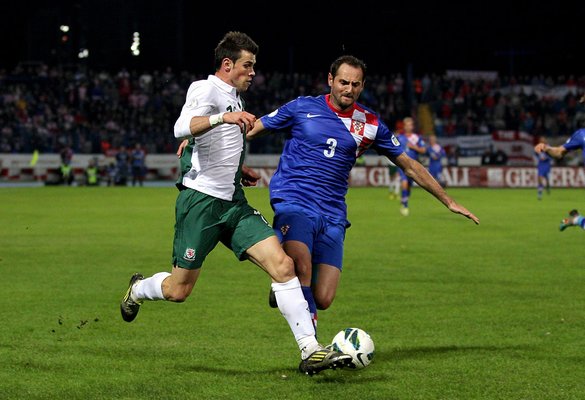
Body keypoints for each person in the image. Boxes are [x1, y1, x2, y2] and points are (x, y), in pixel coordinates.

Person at [120, 31, 352, 376]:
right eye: (248, 65)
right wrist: (221, 119)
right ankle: (139, 289)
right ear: (227, 64)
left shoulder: (235, 98)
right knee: (179, 290)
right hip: (201, 204)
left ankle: (311, 350)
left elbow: (216, 144)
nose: (253, 72)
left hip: (234, 204)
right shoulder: (205, 88)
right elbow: (182, 127)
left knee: (283, 266)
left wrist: (237, 169)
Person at [245, 55, 480, 337]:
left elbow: (409, 165)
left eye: (355, 84)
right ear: (330, 80)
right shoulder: (301, 107)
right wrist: (213, 143)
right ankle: (311, 348)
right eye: (343, 82)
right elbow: (251, 130)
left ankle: (286, 286)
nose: (349, 89)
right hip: (295, 201)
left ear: (363, 86)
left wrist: (448, 200)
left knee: (323, 297)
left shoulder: (369, 124)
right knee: (301, 266)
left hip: (333, 213)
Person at [534, 117, 585, 230]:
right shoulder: (581, 135)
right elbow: (558, 152)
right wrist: (546, 148)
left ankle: (576, 219)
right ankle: (576, 219)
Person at [396, 117, 427, 216]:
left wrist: (413, 147)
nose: (409, 127)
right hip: (402, 164)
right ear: (404, 126)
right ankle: (405, 205)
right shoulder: (399, 137)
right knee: (404, 181)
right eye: (407, 125)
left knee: (409, 185)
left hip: (413, 165)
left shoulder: (416, 138)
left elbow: (423, 150)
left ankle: (404, 198)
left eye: (411, 125)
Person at [534, 136, 551, 200]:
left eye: (543, 140)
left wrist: (546, 158)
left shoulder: (548, 147)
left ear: (545, 140)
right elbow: (535, 154)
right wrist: (537, 158)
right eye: (540, 140)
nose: (542, 141)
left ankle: (548, 187)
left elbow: (551, 155)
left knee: (547, 179)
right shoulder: (538, 147)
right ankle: (540, 194)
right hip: (541, 165)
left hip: (546, 164)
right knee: (540, 179)